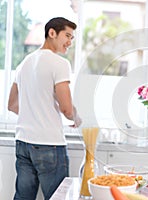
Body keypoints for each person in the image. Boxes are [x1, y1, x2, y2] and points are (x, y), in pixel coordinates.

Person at [7, 17, 82, 200]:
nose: (69, 42)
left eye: (72, 38)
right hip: (49, 144)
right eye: (67, 36)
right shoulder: (60, 64)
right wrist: (76, 118)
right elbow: (66, 108)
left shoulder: (24, 63)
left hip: (23, 143)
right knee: (58, 197)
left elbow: (12, 105)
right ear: (51, 33)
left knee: (23, 197)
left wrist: (34, 112)